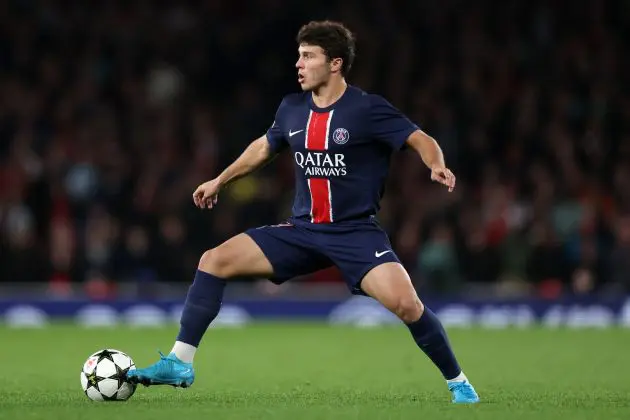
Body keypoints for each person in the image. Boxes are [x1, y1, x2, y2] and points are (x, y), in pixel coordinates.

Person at [127, 20, 479, 404]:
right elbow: (263, 148)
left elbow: (419, 139)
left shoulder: (367, 109)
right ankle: (181, 361)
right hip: (302, 230)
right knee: (213, 260)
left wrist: (434, 164)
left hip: (354, 234)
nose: (299, 64)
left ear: (335, 64)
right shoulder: (292, 109)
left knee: (408, 305)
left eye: (308, 56)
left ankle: (459, 383)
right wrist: (219, 180)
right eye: (299, 55)